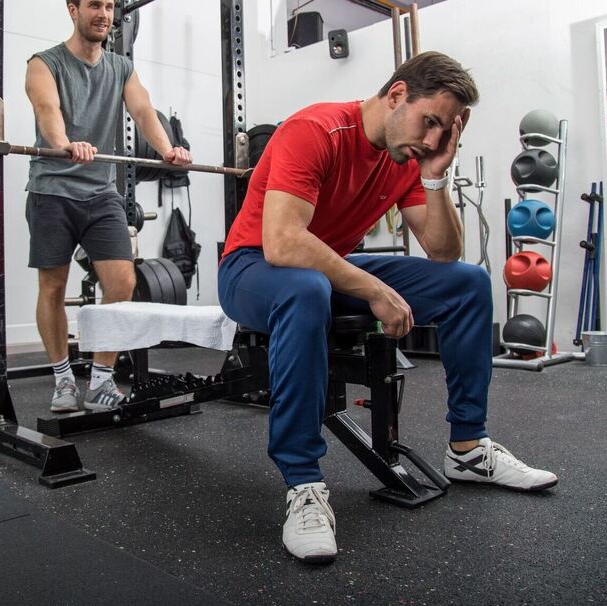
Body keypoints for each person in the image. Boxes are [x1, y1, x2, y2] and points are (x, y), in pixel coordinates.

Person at [218, 51, 558, 565]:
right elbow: (284, 243)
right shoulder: (316, 129)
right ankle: (304, 484)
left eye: (443, 131)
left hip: (326, 264)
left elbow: (444, 252)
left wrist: (436, 176)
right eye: (430, 122)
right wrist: (375, 290)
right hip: (252, 265)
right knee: (306, 289)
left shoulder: (407, 159)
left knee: (468, 283)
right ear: (397, 94)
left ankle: (468, 448)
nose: (431, 139)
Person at [25, 0, 192, 413]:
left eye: (110, 6)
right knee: (53, 285)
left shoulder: (121, 67)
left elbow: (142, 110)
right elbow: (48, 110)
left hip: (101, 193)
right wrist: (63, 144)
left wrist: (168, 149)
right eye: (94, 5)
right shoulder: (44, 63)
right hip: (52, 190)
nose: (104, 14)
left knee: (122, 283)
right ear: (72, 9)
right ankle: (63, 380)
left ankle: (100, 380)